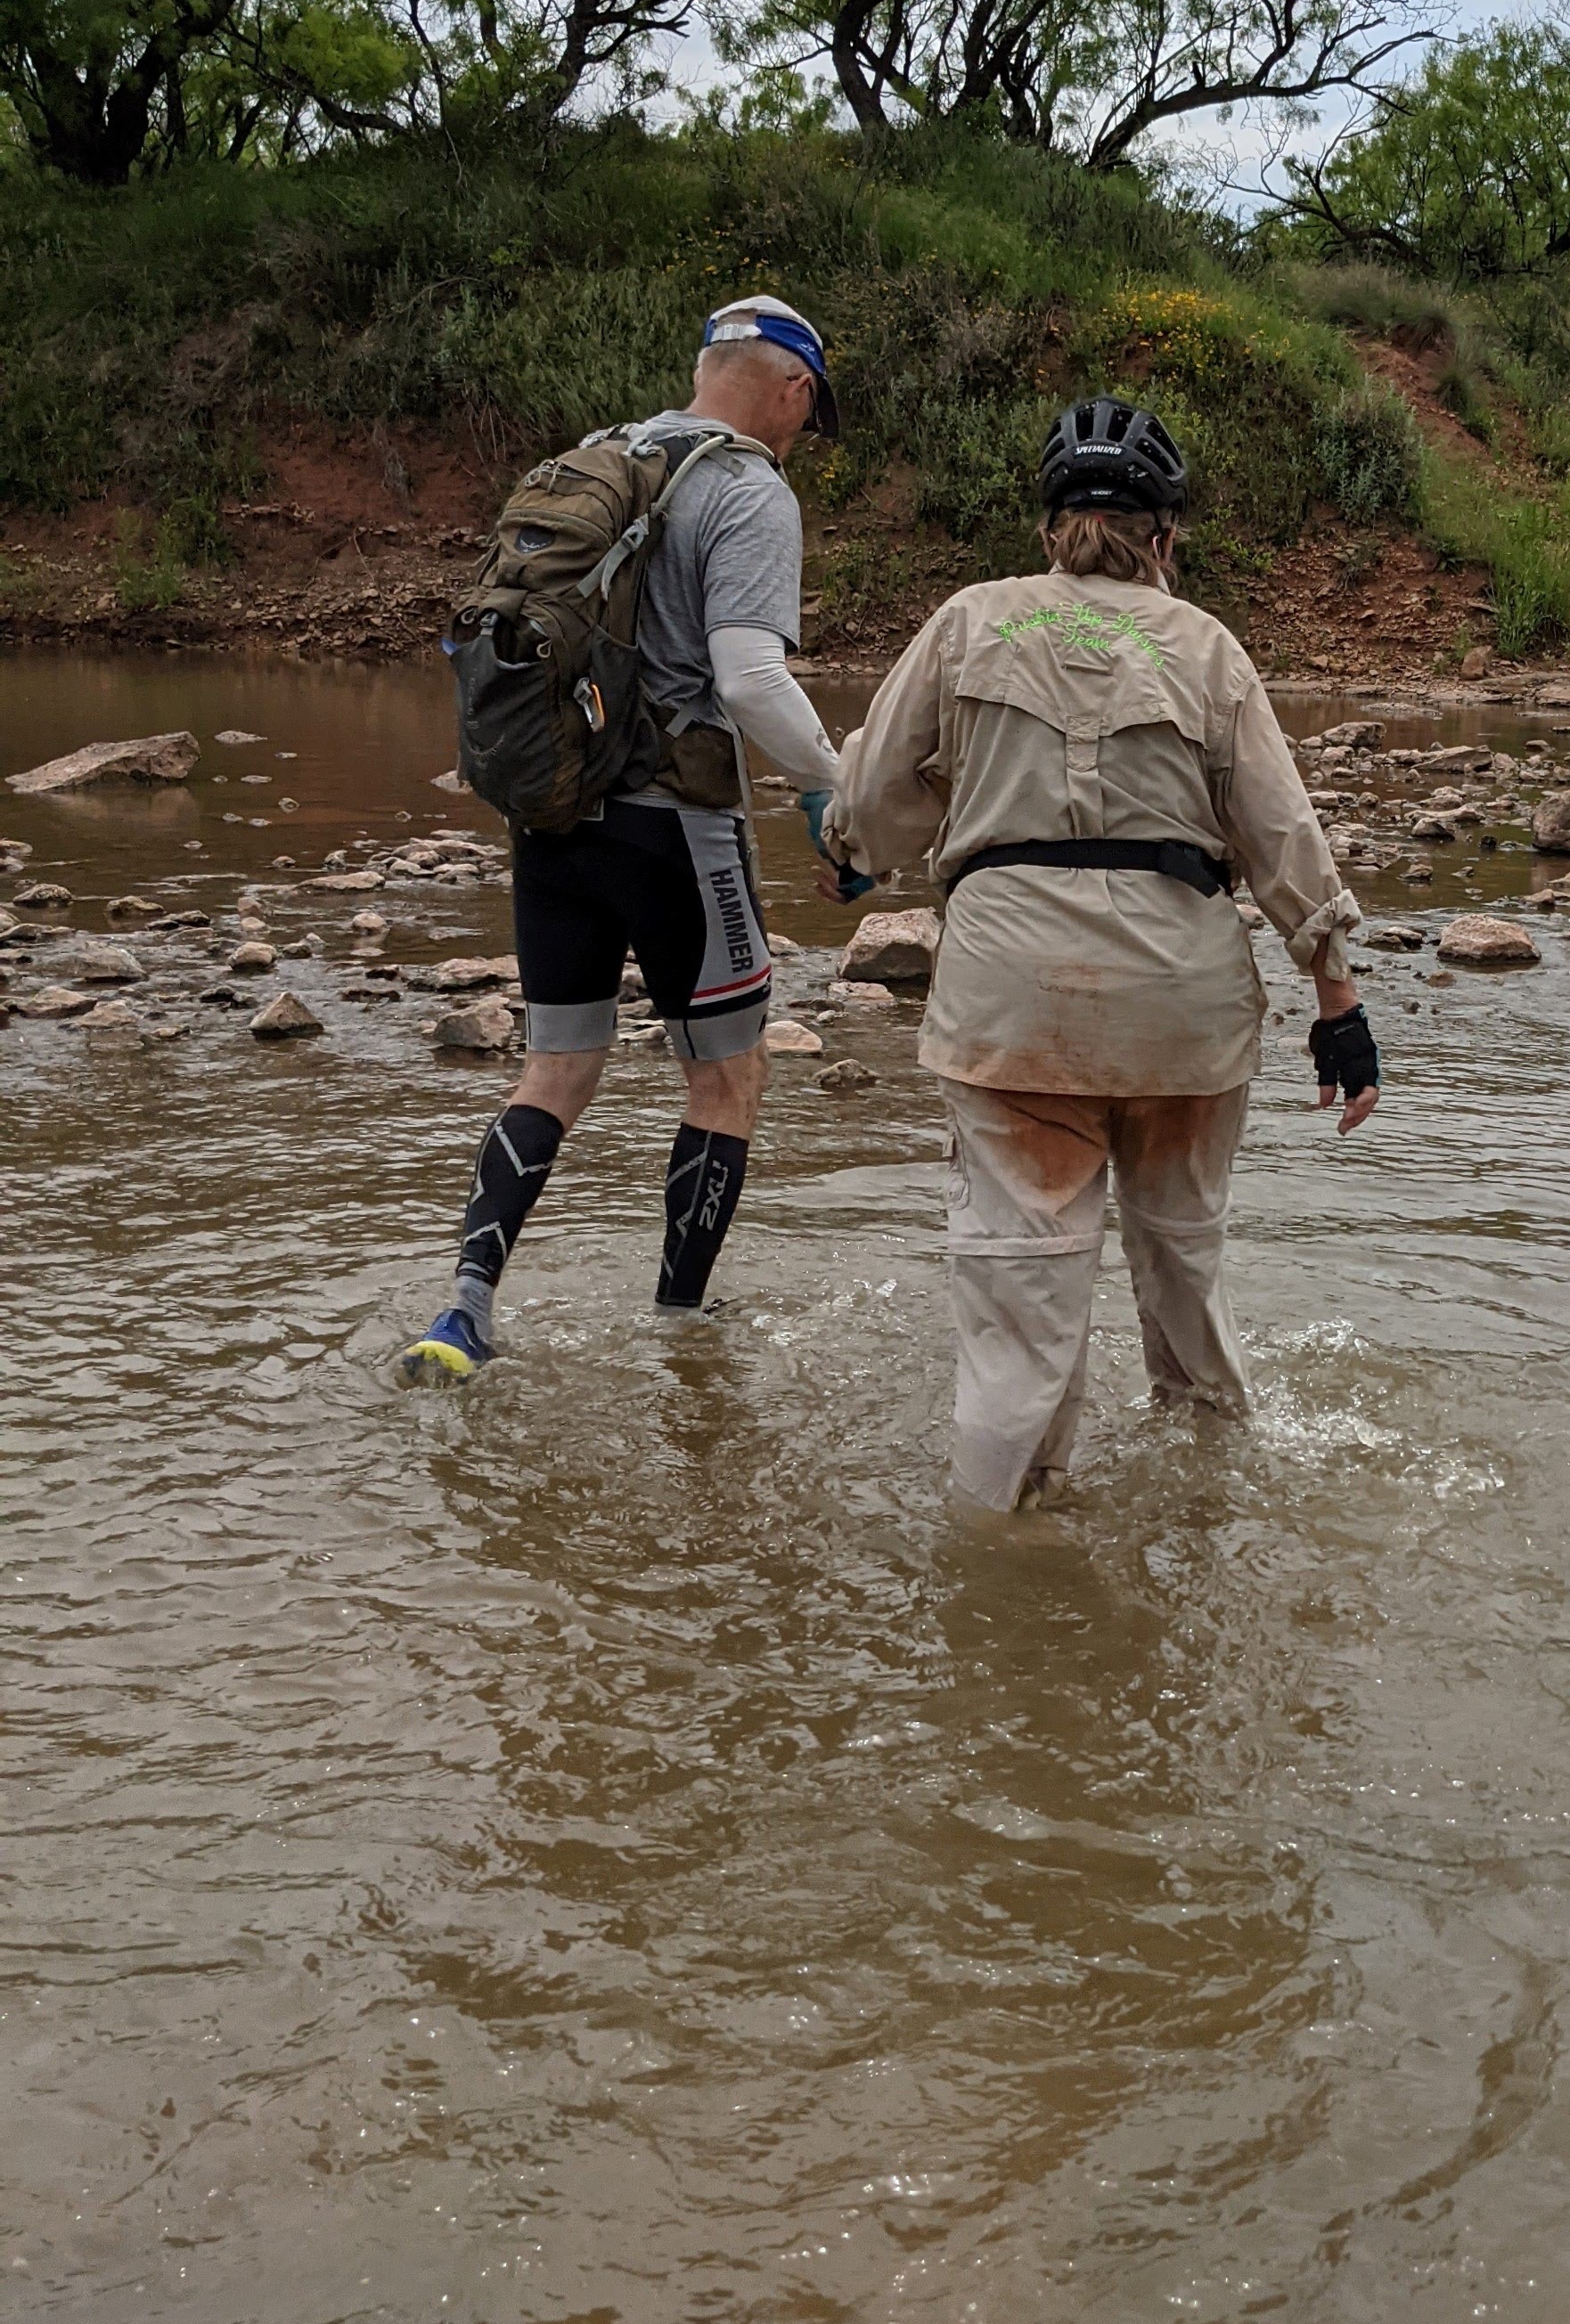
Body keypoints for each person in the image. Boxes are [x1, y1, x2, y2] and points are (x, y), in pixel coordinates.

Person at [822, 393, 1378, 1511]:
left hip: (1014, 1008)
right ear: (1166, 536)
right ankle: (1214, 1523)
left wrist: (849, 846)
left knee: (1022, 1318)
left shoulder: (969, 622)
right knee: (1186, 1273)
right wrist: (1339, 1005)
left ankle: (1008, 1555)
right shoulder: (1207, 648)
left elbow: (873, 808)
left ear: (1048, 528)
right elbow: (1281, 836)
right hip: (1182, 1012)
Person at [398, 295, 847, 1384]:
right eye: (809, 410)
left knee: (556, 1069)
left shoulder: (600, 459)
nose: (803, 430)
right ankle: (683, 1333)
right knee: (728, 1079)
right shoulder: (747, 487)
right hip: (675, 825)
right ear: (793, 389)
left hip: (553, 812)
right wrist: (830, 785)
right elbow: (750, 679)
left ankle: (464, 1310)